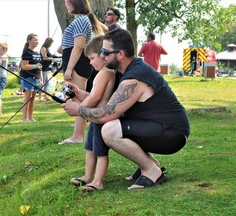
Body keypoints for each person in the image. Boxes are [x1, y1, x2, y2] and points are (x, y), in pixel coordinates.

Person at [61, 29, 190, 190]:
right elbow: (111, 102)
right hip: (157, 127)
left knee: (110, 129)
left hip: (173, 133)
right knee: (114, 125)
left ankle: (151, 171)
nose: (102, 56)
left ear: (120, 54)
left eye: (105, 52)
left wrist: (79, 110)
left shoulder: (135, 76)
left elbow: (106, 114)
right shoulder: (124, 72)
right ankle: (150, 163)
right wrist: (80, 94)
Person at [69, 36, 116, 191]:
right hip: (94, 120)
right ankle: (87, 176)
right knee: (90, 149)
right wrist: (78, 94)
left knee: (101, 152)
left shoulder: (105, 73)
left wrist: (80, 108)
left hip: (100, 120)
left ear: (103, 55)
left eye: (92, 58)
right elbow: (92, 95)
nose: (90, 62)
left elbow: (96, 98)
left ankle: (98, 181)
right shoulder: (101, 73)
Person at [57, 0, 93, 144]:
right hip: (74, 62)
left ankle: (78, 136)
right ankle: (77, 135)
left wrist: (70, 68)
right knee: (75, 98)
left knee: (78, 100)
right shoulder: (80, 20)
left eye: (68, 2)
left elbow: (78, 47)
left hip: (77, 65)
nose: (66, 5)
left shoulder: (81, 20)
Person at [20, 33, 43, 123]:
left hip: (36, 78)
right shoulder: (26, 52)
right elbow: (24, 66)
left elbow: (40, 67)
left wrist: (41, 79)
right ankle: (24, 118)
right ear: (29, 41)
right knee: (27, 98)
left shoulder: (37, 53)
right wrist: (35, 66)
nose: (37, 42)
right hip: (28, 77)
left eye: (37, 40)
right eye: (35, 40)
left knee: (33, 98)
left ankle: (30, 117)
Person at [39, 37, 55, 102]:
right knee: (42, 83)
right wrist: (52, 58)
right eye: (51, 43)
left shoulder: (47, 49)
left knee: (46, 83)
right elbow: (44, 57)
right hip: (42, 68)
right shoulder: (43, 48)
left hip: (46, 69)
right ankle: (40, 97)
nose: (51, 45)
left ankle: (46, 96)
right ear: (48, 43)